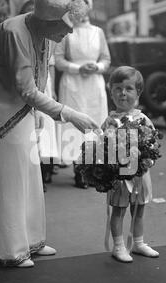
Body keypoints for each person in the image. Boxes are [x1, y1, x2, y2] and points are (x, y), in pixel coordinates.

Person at [0, 0, 98, 268]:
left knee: (28, 171)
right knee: (2, 176)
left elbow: (39, 78)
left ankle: (31, 240)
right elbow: (27, 90)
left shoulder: (43, 32)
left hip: (14, 104)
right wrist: (69, 114)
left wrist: (37, 116)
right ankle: (6, 249)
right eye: (65, 28)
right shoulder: (14, 33)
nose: (68, 34)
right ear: (48, 21)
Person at [101, 66, 159, 263]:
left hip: (139, 174)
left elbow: (153, 143)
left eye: (128, 88)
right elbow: (103, 147)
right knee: (119, 209)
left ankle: (138, 242)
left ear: (138, 92)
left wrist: (147, 159)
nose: (122, 93)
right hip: (119, 176)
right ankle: (118, 246)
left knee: (139, 208)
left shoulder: (143, 119)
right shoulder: (110, 121)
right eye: (117, 88)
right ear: (111, 92)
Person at [55, 0, 110, 189]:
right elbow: (59, 60)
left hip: (94, 84)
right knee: (75, 127)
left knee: (94, 126)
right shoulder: (67, 31)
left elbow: (106, 58)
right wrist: (78, 68)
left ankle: (93, 169)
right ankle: (78, 170)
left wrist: (97, 66)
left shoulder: (98, 32)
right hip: (73, 84)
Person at [20, 0, 60, 192]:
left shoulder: (49, 39)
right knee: (29, 129)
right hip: (28, 84)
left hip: (44, 83)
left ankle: (44, 169)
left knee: (45, 130)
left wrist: (49, 88)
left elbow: (50, 64)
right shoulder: (19, 37)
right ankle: (30, 173)